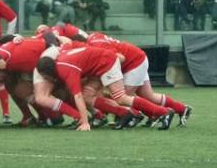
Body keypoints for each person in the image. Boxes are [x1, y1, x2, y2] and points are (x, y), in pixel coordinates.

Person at [36, 46, 175, 131]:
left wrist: (84, 123)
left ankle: (163, 112)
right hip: (98, 65)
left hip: (106, 62)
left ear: (48, 72)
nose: (45, 80)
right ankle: (125, 113)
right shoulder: (61, 61)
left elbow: (76, 96)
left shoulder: (65, 70)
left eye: (44, 76)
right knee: (87, 96)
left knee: (120, 97)